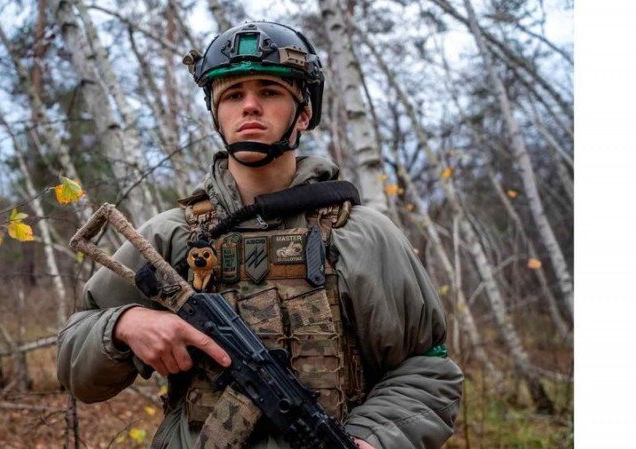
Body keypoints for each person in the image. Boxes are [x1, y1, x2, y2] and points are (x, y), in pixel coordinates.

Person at [57, 21, 463, 449]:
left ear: (302, 114)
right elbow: (73, 356)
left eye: (269, 92)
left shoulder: (361, 234)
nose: (250, 106)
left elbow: (427, 368)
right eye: (233, 95)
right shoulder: (172, 235)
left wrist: (373, 439)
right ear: (217, 115)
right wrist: (124, 325)